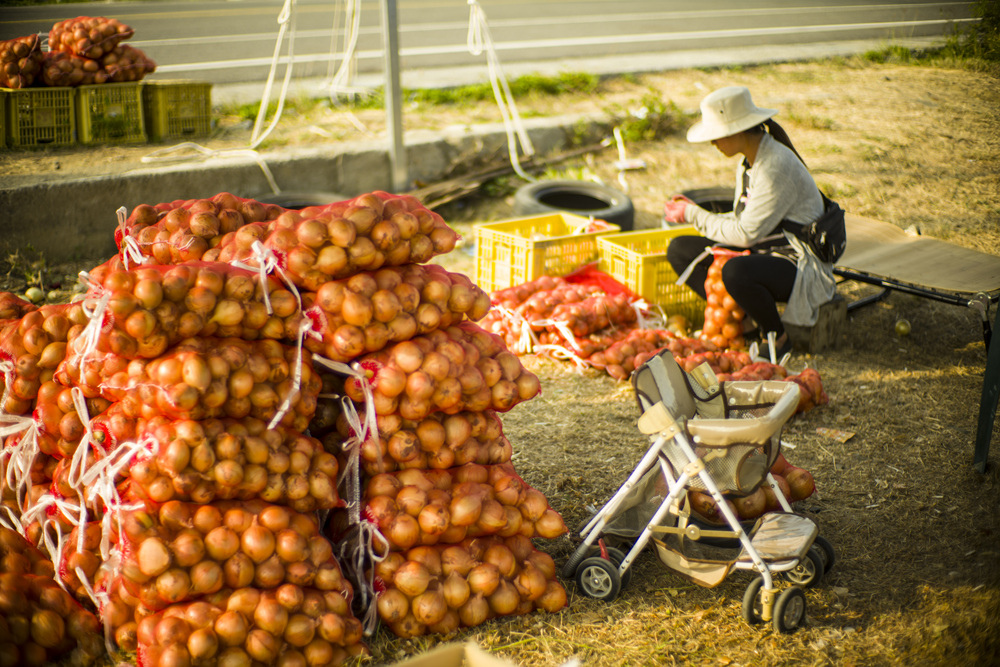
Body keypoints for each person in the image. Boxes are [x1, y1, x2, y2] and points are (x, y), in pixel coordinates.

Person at [663, 85, 836, 360]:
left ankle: (778, 337)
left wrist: (692, 214)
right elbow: (742, 218)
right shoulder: (749, 161)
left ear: (738, 131)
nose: (713, 143)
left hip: (797, 261)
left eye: (716, 136)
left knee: (735, 271)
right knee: (680, 249)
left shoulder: (774, 165)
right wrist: (695, 212)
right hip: (763, 247)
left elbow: (745, 233)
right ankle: (741, 323)